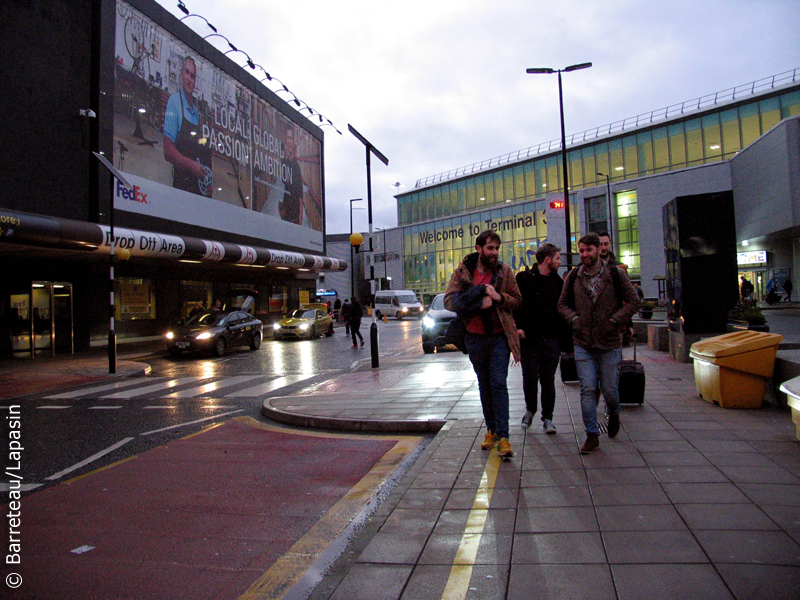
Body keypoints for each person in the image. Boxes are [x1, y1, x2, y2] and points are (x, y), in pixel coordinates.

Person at [558, 232, 640, 455]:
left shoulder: (615, 274)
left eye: (588, 250)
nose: (584, 255)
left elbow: (634, 301)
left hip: (609, 341)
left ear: (598, 250)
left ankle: (613, 413)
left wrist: (616, 320)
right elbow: (562, 304)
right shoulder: (574, 276)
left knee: (610, 389)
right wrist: (574, 319)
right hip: (583, 341)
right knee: (588, 389)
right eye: (581, 251)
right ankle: (591, 434)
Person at [445, 230, 522, 458]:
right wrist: (479, 302)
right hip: (475, 337)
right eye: (490, 248)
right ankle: (491, 430)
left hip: (499, 335)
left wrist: (499, 298)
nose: (494, 253)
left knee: (498, 382)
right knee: (484, 384)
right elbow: (449, 301)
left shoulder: (504, 271)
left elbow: (517, 300)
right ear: (479, 249)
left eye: (497, 248)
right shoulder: (463, 272)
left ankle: (504, 436)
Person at [514, 243, 570, 435]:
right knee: (529, 377)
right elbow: (516, 305)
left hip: (551, 339)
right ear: (548, 260)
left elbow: (563, 311)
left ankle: (548, 418)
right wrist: (518, 327)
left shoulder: (558, 283)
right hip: (529, 339)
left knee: (548, 380)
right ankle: (530, 410)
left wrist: (566, 342)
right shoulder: (524, 279)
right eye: (557, 258)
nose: (559, 262)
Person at [163, 56, 212, 196]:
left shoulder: (196, 112)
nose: (189, 79)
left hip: (197, 186)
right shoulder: (174, 102)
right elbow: (167, 151)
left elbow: (199, 144)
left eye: (193, 76)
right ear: (181, 74)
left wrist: (207, 179)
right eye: (187, 73)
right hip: (182, 187)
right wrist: (191, 166)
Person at [279, 126, 304, 225]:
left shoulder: (296, 167)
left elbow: (300, 197)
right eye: (287, 138)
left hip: (294, 215)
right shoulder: (285, 162)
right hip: (285, 214)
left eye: (291, 138)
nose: (289, 141)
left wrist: (300, 220)